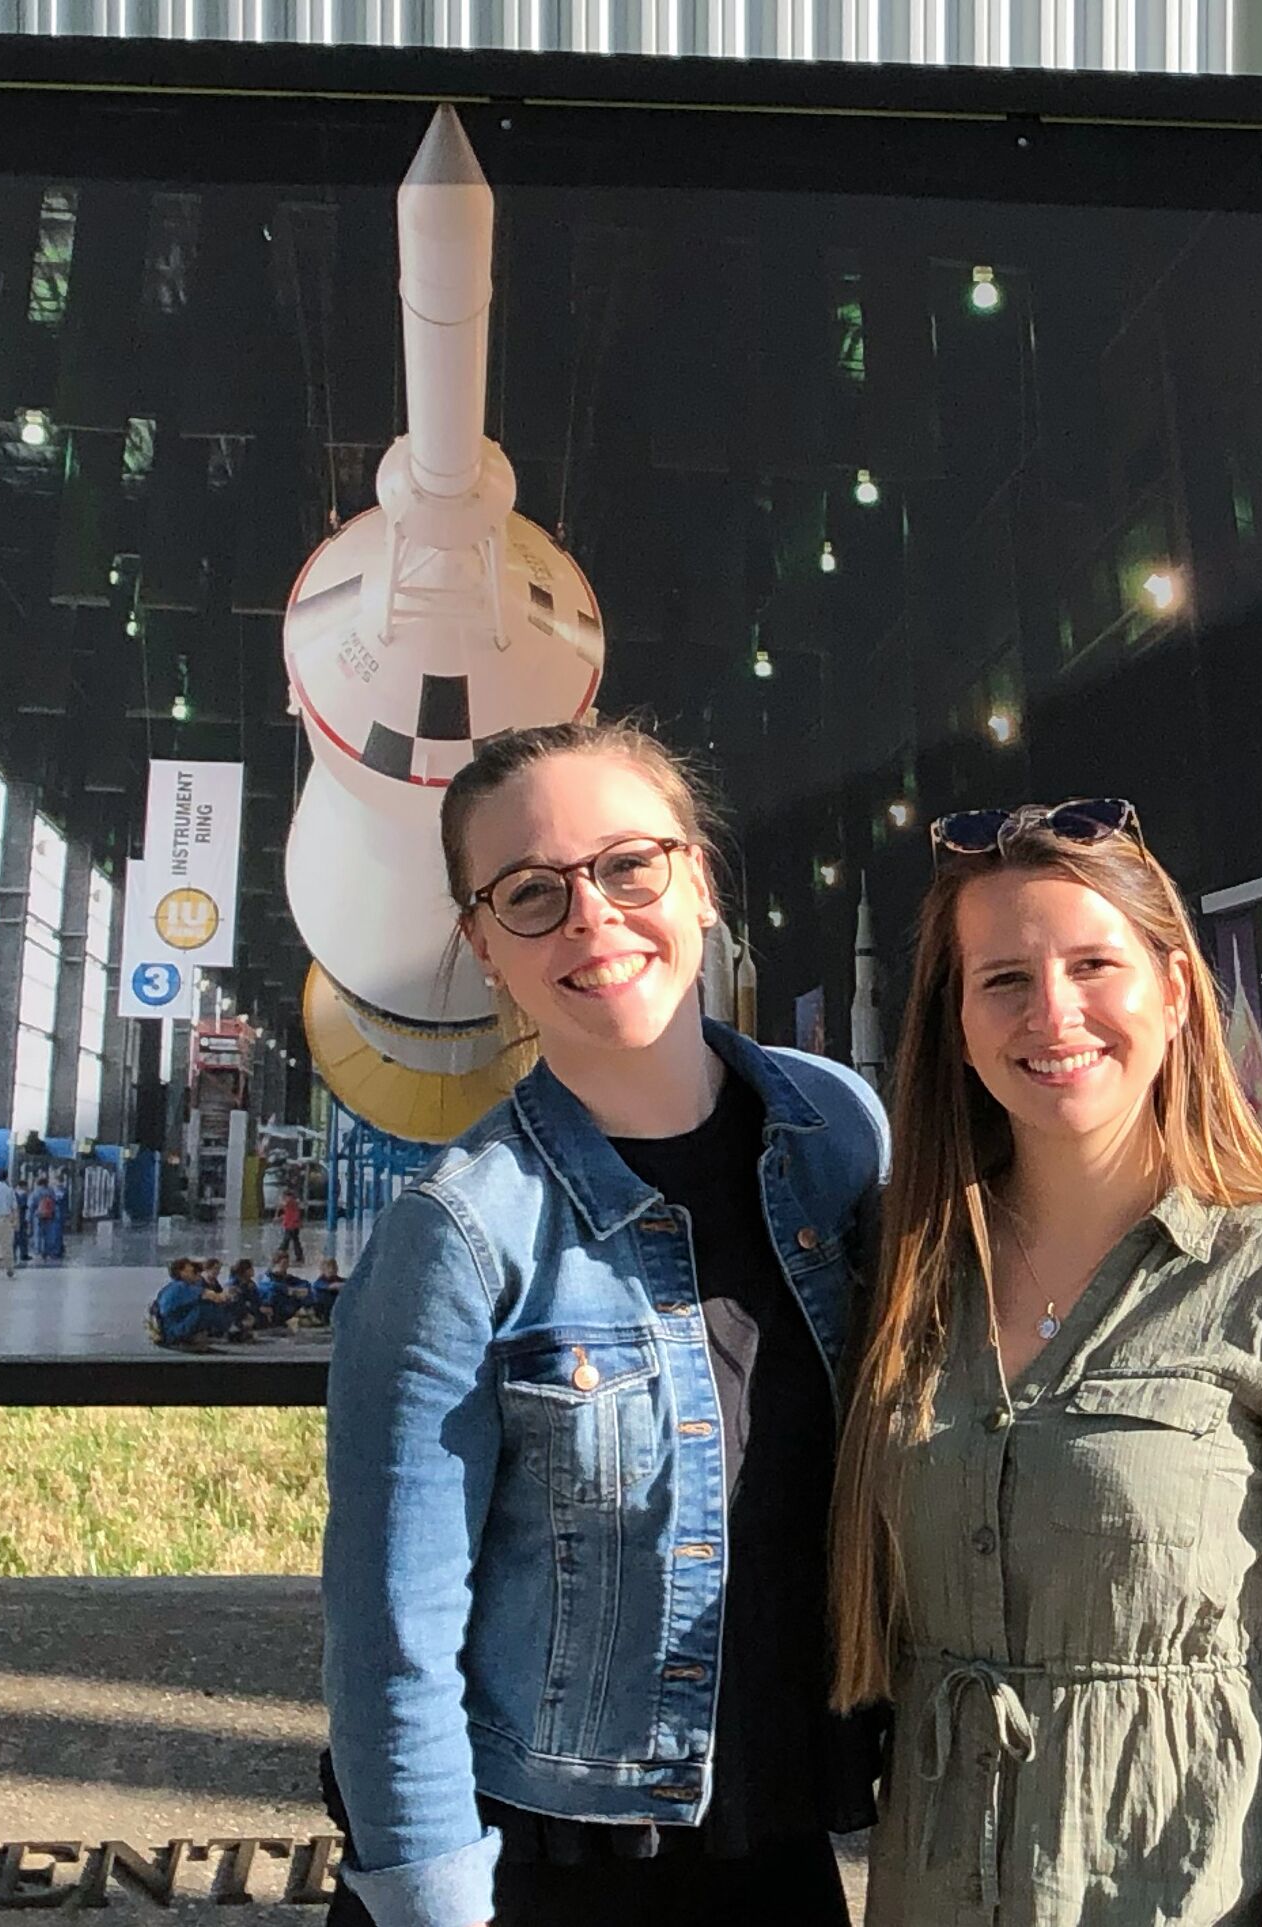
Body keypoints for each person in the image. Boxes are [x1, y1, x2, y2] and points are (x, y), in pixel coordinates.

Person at [320, 720, 889, 1927]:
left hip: (777, 1846)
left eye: (629, 865)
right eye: (532, 892)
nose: (591, 916)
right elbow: (391, 1638)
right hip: (549, 1870)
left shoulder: (836, 1135)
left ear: (699, 878)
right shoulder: (460, 1235)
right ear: (481, 943)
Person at [831, 797, 1262, 1927]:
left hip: (1187, 1885)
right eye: (1002, 978)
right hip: (938, 1887)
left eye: (1093, 964)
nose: (1052, 1012)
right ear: (955, 1022)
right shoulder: (909, 1272)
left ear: (1172, 989)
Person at [275, 1176, 306, 1267]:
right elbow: (288, 1214)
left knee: (287, 1240)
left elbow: (284, 1206)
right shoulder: (292, 1203)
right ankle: (298, 1257)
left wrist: (280, 1203)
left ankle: (281, 1255)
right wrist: (280, 1217)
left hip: (292, 1225)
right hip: (292, 1224)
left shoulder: (290, 1202)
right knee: (294, 1241)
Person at [33, 1173, 64, 1262]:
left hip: (38, 1215)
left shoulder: (36, 1192)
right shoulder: (51, 1191)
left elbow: (31, 1204)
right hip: (50, 1215)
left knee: (38, 1234)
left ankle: (39, 1252)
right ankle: (48, 1251)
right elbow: (54, 1202)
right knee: (49, 1234)